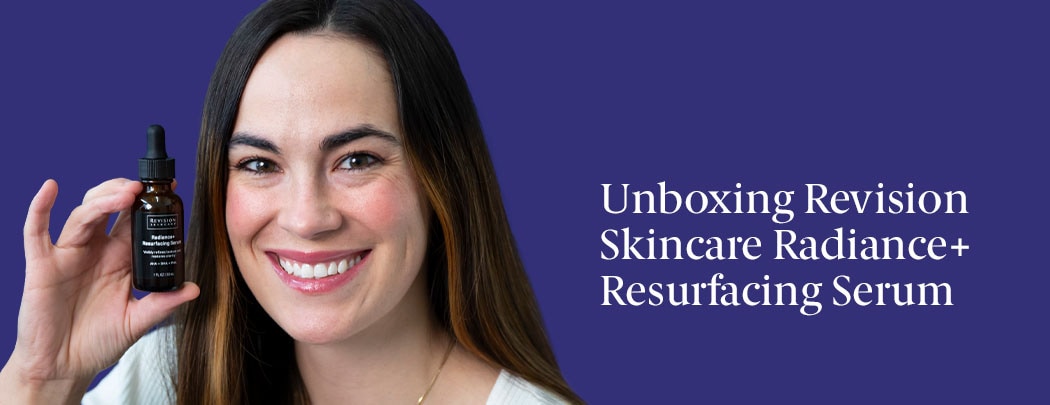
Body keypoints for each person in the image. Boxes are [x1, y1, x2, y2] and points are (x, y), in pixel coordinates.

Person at [0, 0, 581, 403]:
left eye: (356, 159)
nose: (306, 218)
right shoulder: (171, 378)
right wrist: (42, 378)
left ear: (443, 181)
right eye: (259, 164)